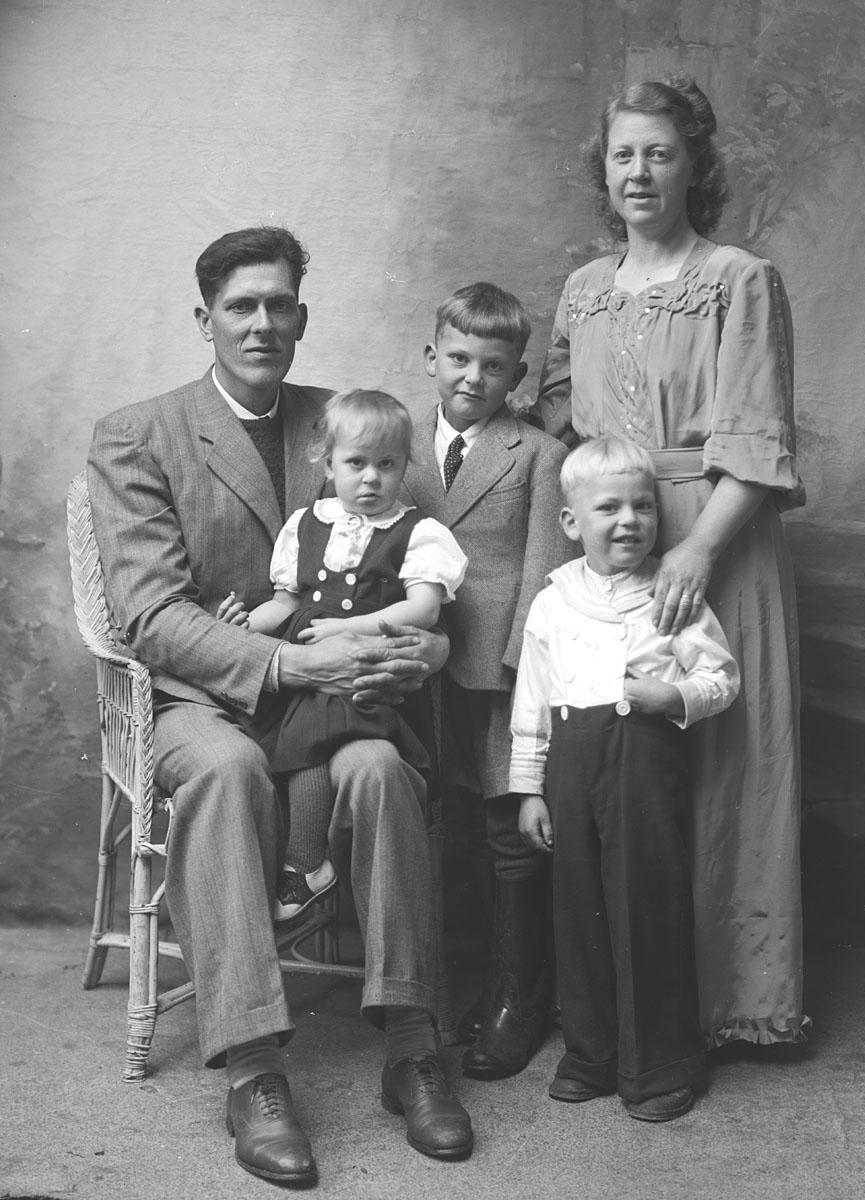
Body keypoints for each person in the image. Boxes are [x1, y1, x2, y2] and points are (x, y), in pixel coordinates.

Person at [85, 227, 474, 1187]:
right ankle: (254, 1068)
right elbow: (150, 615)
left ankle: (411, 1045)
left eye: (278, 305)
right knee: (227, 770)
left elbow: (413, 566)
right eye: (240, 306)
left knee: (379, 769)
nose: (261, 323)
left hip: (336, 704)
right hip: (201, 699)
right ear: (205, 319)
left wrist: (418, 651)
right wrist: (294, 663)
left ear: (301, 316)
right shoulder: (138, 435)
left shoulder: (342, 422)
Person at [534, 78, 811, 1050]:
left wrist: (694, 547)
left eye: (659, 152)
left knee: (722, 764)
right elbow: (557, 429)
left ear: (695, 166)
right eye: (623, 154)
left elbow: (760, 437)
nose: (639, 172)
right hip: (612, 539)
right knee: (624, 760)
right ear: (602, 173)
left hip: (715, 535)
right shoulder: (581, 290)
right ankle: (629, 1008)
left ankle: (731, 1004)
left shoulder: (739, 278)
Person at [511, 436, 740, 1120]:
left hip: (642, 760)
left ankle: (661, 1065)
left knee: (647, 904)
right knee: (577, 905)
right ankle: (592, 1052)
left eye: (643, 507)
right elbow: (532, 699)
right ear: (570, 521)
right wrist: (528, 789)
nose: (629, 521)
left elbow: (721, 676)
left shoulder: (670, 595)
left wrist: (673, 697)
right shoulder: (553, 601)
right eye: (608, 507)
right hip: (570, 765)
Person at [401, 282, 572, 1081]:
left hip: (498, 671)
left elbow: (543, 574)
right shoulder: (396, 444)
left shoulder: (536, 455)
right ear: (431, 357)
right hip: (416, 667)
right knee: (451, 821)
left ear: (517, 375)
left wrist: (520, 674)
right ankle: (471, 983)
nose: (472, 377)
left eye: (492, 366)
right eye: (459, 358)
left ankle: (518, 999)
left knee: (508, 828)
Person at [217, 387, 467, 926]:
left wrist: (347, 628)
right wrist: (240, 628)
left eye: (387, 464)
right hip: (311, 675)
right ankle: (304, 862)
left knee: (310, 735)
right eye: (356, 463)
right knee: (301, 738)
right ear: (328, 464)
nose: (371, 478)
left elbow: (423, 609)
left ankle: (305, 863)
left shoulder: (418, 533)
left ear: (405, 467)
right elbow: (286, 603)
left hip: (370, 675)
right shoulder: (307, 524)